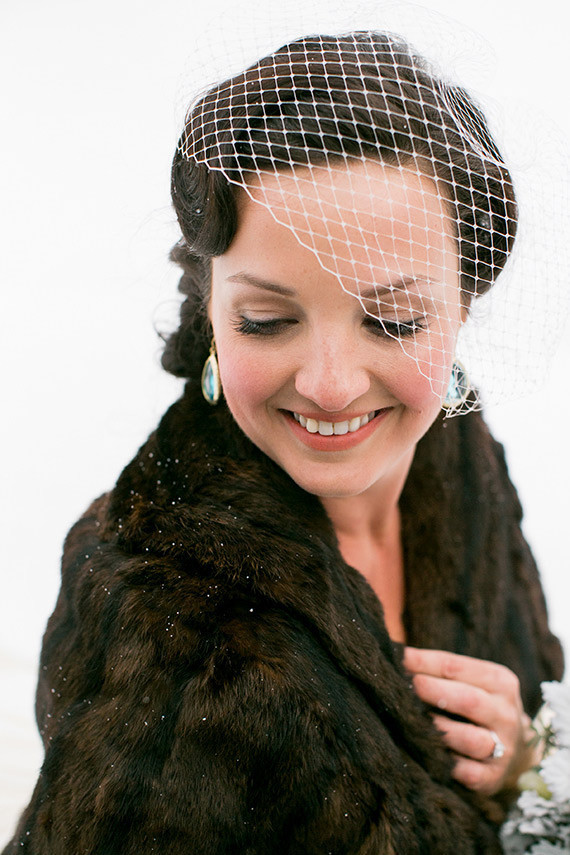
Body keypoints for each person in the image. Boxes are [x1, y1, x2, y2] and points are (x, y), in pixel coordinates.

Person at [4, 30, 563, 855]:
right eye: (267, 321)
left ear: (463, 306)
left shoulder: (454, 455)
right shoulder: (160, 627)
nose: (332, 387)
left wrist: (528, 764)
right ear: (210, 306)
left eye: (394, 320)